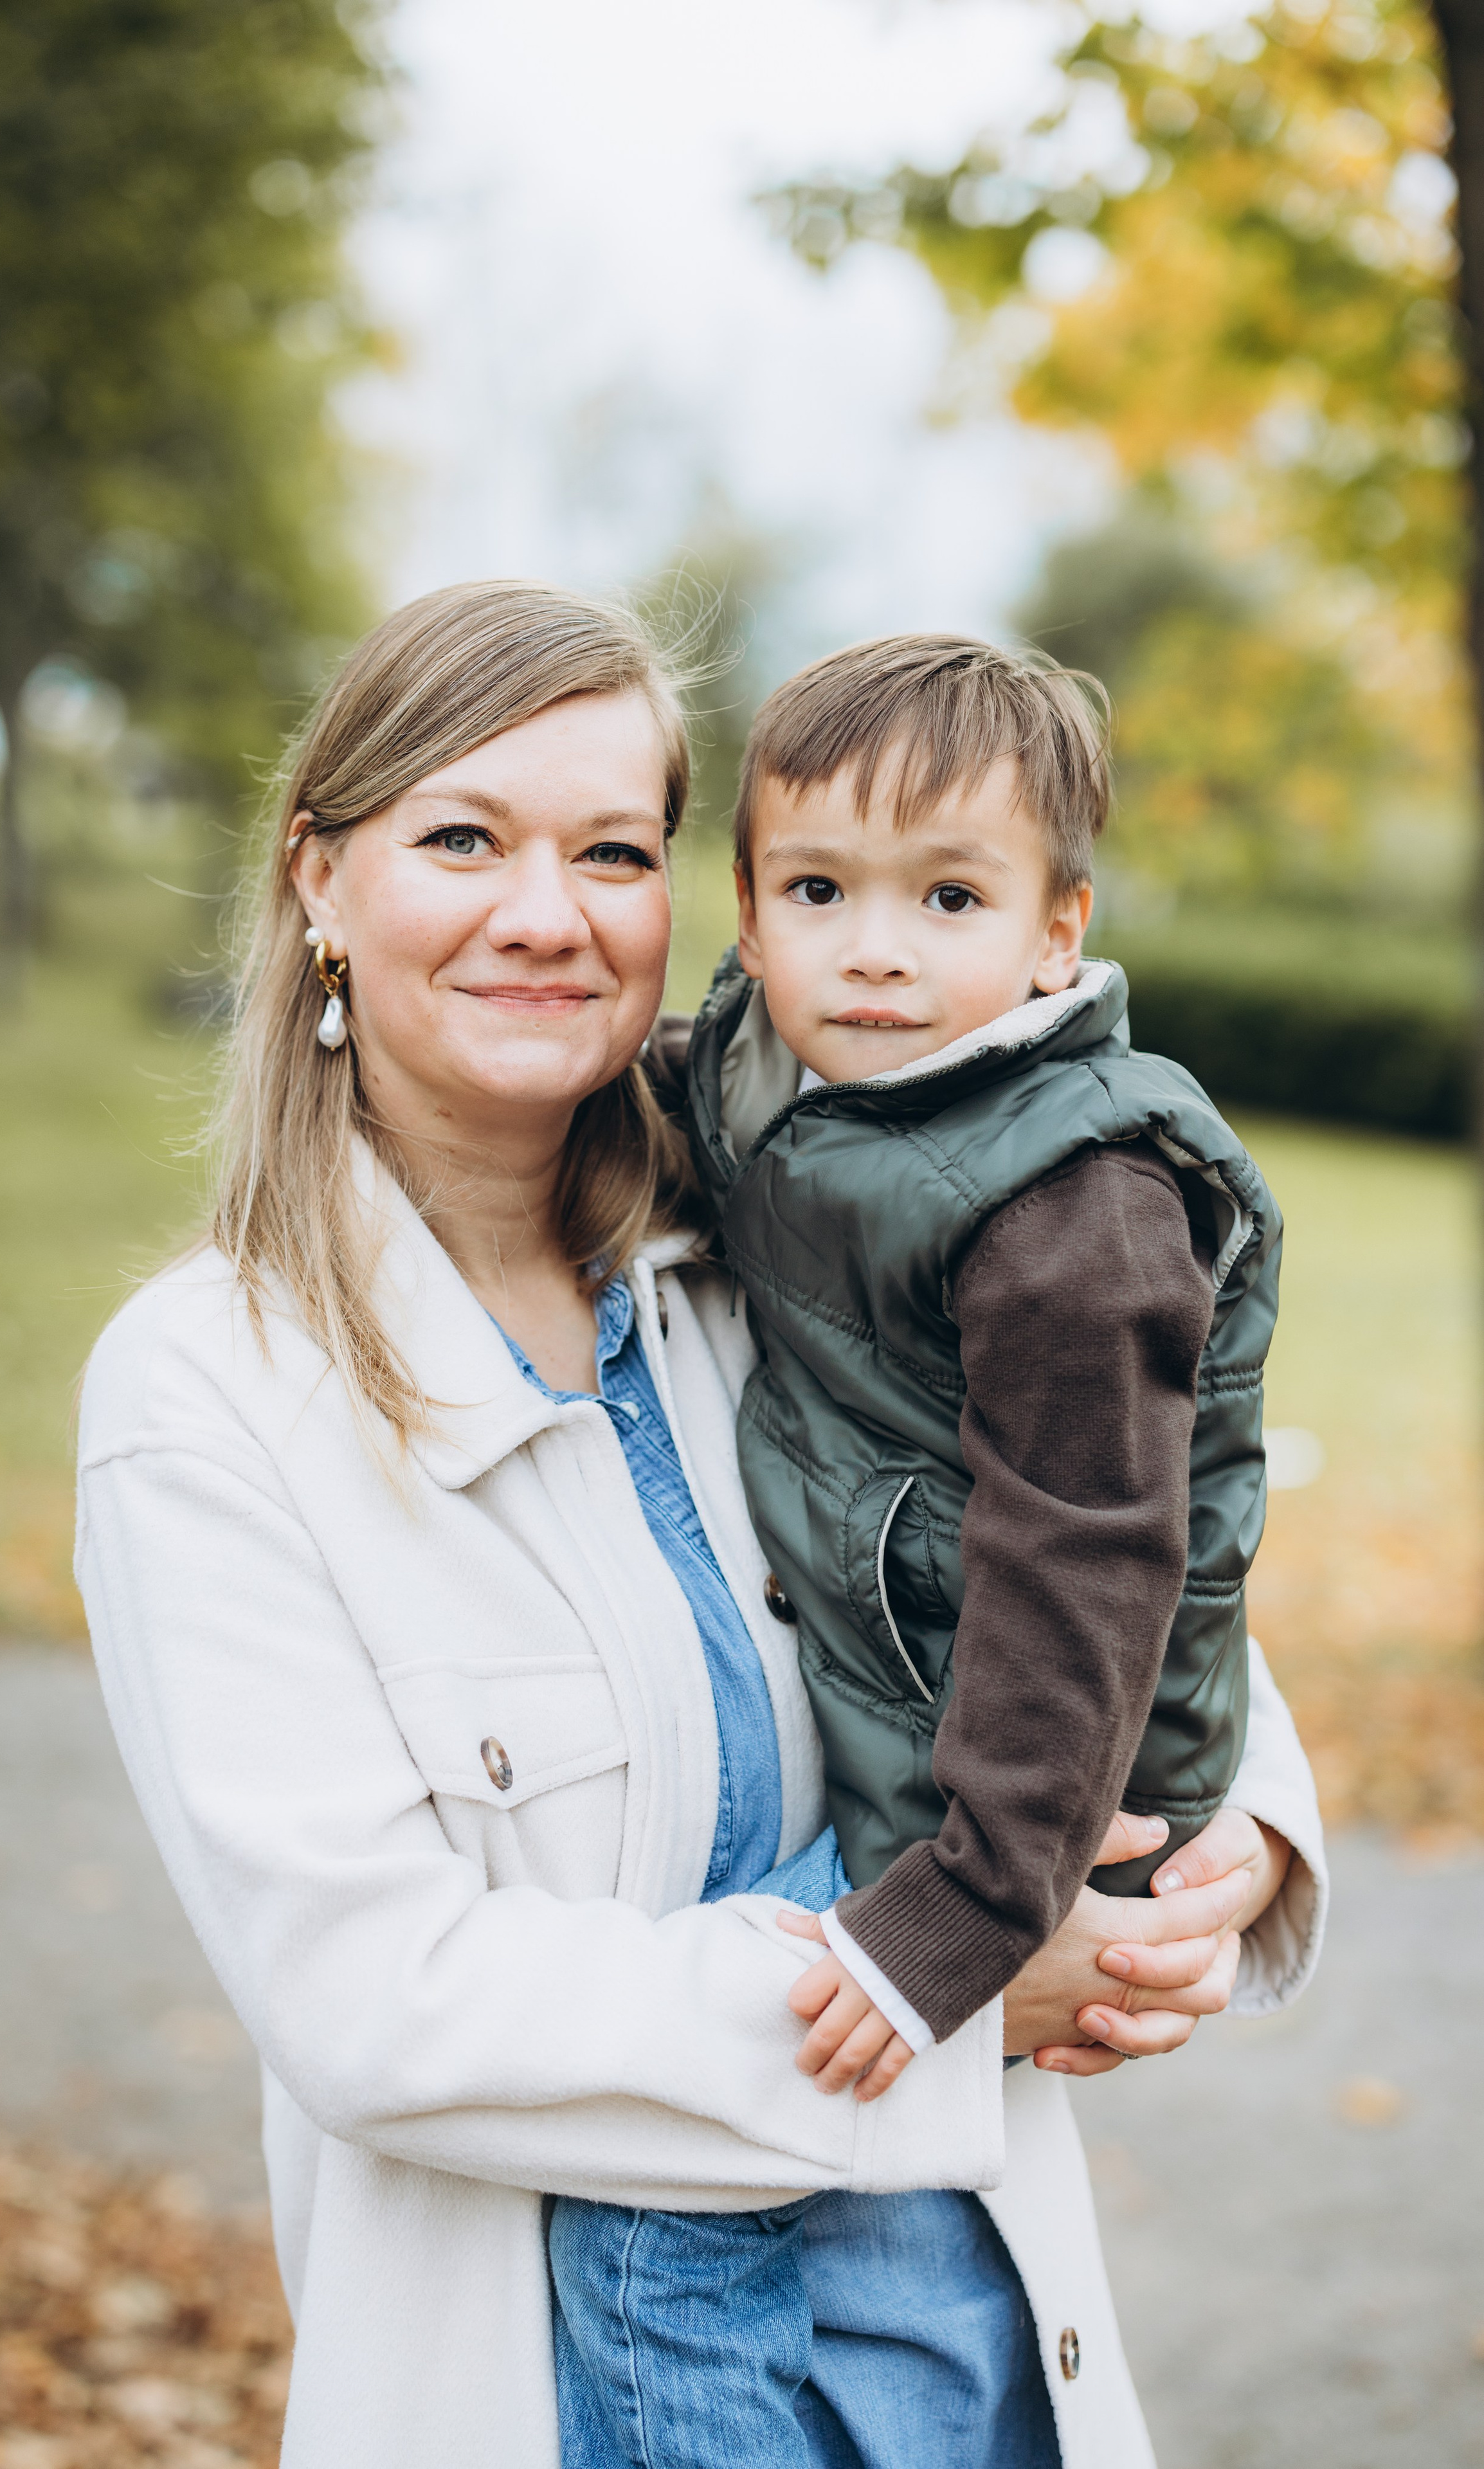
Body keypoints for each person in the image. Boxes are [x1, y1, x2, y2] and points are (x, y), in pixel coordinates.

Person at [74, 582, 1326, 2469]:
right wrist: (942, 1984)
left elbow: (1068, 1538)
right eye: (463, 839)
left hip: (961, 2364)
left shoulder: (778, 1240)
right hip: (577, 2391)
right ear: (320, 881)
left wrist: (1232, 1833)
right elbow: (378, 2007)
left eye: (612, 848)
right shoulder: (209, 1396)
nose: (547, 912)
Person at [548, 633, 1294, 2466]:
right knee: (829, 2220)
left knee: (723, 2182)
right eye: (818, 891)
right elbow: (684, 1103)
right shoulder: (790, 1072)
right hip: (932, 1693)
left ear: (1057, 932)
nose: (874, 946)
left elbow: (1094, 1571)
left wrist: (959, 1910)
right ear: (753, 907)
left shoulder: (1076, 1206)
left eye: (947, 895)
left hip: (1038, 1773)